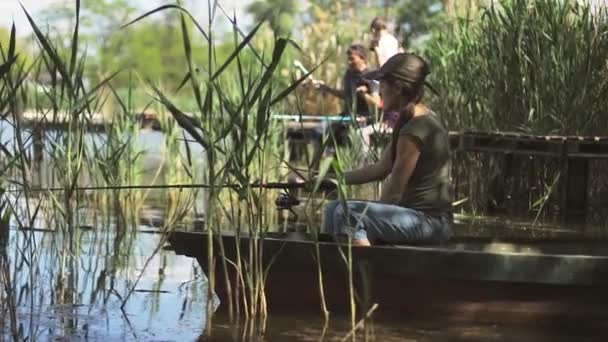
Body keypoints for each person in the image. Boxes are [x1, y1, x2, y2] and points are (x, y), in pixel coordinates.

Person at [317, 53, 453, 246]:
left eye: (382, 84)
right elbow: (380, 168)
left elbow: (394, 192)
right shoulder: (407, 119)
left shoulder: (417, 127)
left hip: (430, 224)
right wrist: (328, 179)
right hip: (415, 219)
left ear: (397, 87)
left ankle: (366, 271)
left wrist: (369, 221)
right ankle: (337, 269)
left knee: (349, 214)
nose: (379, 91)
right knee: (333, 208)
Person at [317, 44, 381, 119]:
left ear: (362, 59)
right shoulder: (349, 75)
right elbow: (346, 95)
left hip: (363, 118)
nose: (349, 62)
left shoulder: (372, 77)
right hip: (347, 116)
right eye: (348, 59)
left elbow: (377, 104)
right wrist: (327, 89)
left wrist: (363, 94)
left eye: (352, 59)